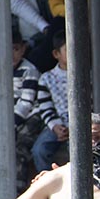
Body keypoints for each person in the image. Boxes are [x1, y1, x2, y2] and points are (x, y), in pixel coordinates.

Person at [12, 26, 51, 191]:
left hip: (31, 115)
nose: (11, 54)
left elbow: (26, 103)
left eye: (15, 49)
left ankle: (18, 189)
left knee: (19, 145)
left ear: (23, 49)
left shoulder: (29, 70)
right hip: (10, 117)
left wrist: (11, 124)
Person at [31, 31, 70, 173]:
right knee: (39, 150)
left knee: (79, 149)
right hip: (58, 123)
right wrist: (55, 126)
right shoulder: (47, 78)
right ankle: (48, 180)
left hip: (82, 124)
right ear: (56, 54)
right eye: (68, 49)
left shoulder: (88, 75)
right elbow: (45, 106)